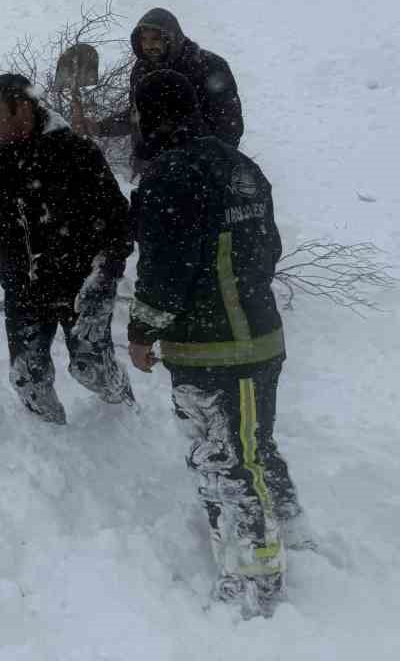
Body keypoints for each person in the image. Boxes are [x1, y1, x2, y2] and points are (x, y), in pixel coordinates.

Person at [126, 69, 304, 618]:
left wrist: (142, 330)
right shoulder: (240, 165)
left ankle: (256, 581)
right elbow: (269, 246)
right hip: (261, 335)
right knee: (255, 444)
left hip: (212, 348)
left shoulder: (169, 173)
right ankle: (291, 526)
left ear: (149, 116)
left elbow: (163, 266)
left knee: (224, 457)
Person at [0, 73, 135, 423]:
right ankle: (51, 444)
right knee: (27, 378)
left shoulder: (75, 151)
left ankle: (125, 415)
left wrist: (106, 275)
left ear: (21, 107)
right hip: (22, 279)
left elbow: (117, 219)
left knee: (90, 368)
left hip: (79, 281)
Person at [91, 8, 243, 174]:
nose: (148, 46)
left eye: (156, 39)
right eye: (143, 39)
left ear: (172, 38)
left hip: (201, 168)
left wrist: (207, 164)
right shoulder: (143, 69)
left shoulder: (208, 67)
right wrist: (99, 128)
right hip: (157, 168)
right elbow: (139, 116)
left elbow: (229, 127)